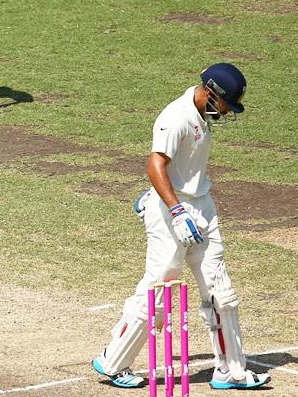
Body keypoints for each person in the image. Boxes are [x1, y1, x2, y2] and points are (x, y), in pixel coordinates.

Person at [92, 63, 270, 390]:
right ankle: (113, 360)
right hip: (172, 214)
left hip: (202, 204)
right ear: (211, 93)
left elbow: (181, 167)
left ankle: (231, 371)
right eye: (227, 103)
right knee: (158, 289)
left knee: (221, 291)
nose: (228, 111)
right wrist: (173, 209)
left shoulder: (202, 114)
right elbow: (155, 163)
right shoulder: (175, 117)